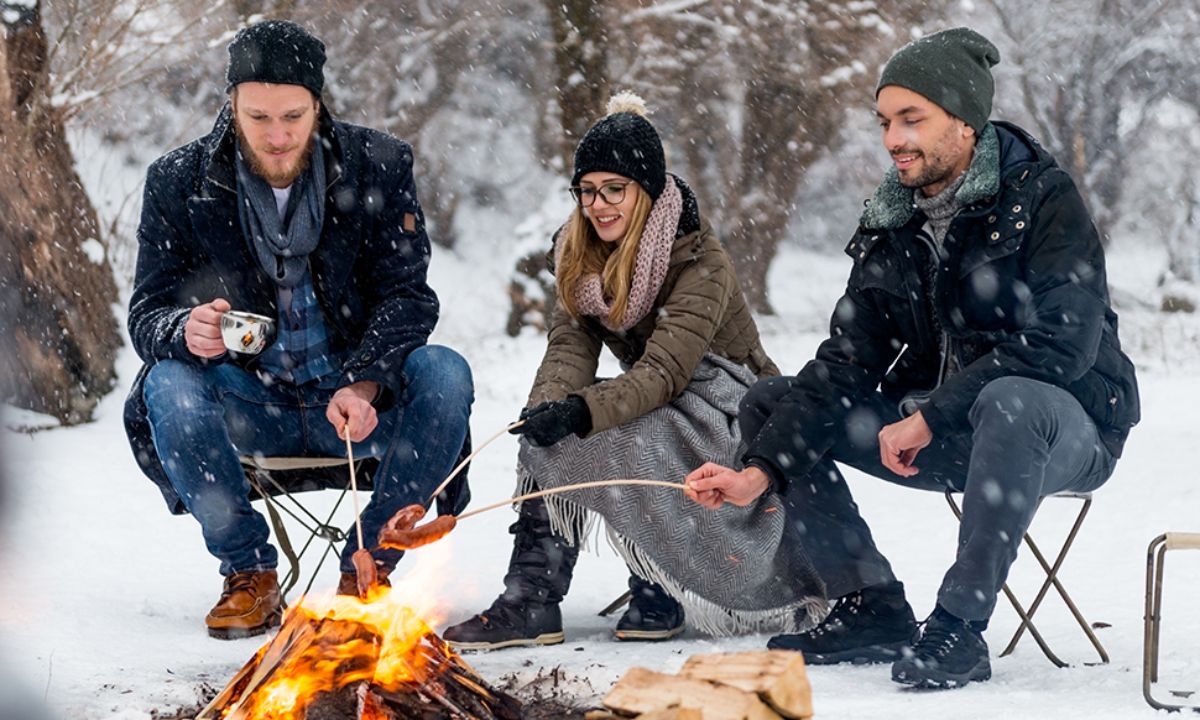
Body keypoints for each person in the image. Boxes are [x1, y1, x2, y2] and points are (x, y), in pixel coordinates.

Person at [685, 27, 1139, 689]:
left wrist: (931, 416)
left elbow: (1060, 346)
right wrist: (760, 470)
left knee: (1010, 399)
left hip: (1062, 429)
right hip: (943, 435)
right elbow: (846, 359)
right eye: (885, 121)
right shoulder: (892, 218)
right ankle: (870, 604)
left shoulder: (1043, 200)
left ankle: (959, 627)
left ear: (964, 122)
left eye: (912, 118)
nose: (894, 138)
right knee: (772, 403)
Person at [123, 20, 473, 639]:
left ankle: (369, 566)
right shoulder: (178, 181)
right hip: (251, 403)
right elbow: (147, 314)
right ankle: (249, 573)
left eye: (293, 115)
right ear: (231, 105)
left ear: (318, 103)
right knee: (167, 382)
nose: (278, 136)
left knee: (445, 373)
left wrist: (365, 382)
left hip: (356, 407)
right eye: (258, 117)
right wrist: (185, 330)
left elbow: (407, 296)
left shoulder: (379, 164)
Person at [443, 93, 825, 650]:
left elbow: (667, 371)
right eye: (587, 190)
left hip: (731, 399)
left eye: (614, 189)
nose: (598, 204)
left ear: (644, 190)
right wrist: (549, 406)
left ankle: (661, 584)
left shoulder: (699, 260)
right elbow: (569, 348)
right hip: (657, 390)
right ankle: (532, 597)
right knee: (555, 438)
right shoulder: (579, 253)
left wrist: (584, 410)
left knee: (634, 432)